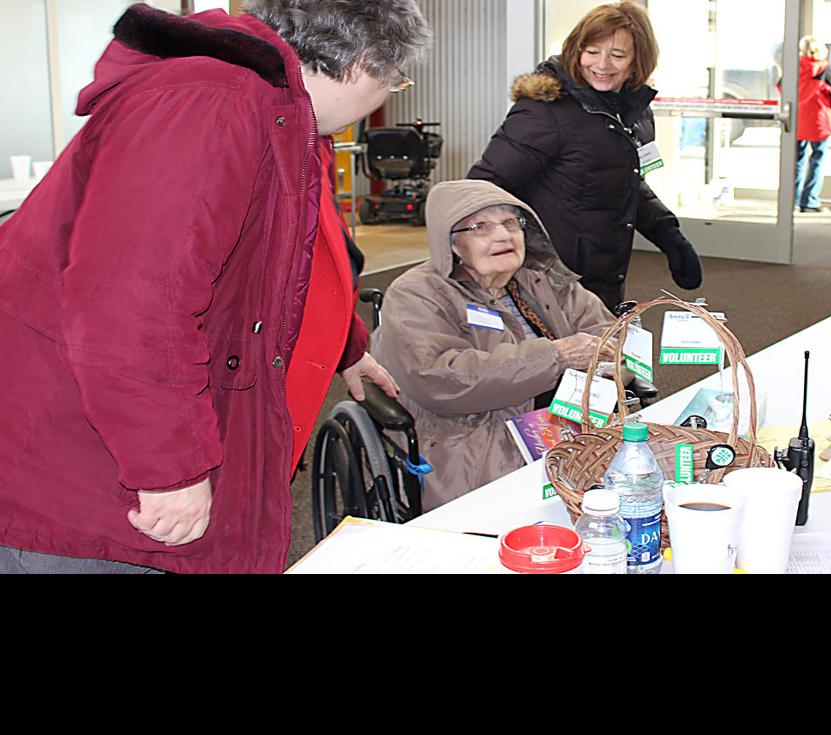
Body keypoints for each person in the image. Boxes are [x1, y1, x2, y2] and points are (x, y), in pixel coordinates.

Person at [0, 0, 426, 574]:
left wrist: (344, 347)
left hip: (118, 431)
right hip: (86, 468)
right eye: (394, 79)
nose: (388, 93)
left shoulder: (273, 110)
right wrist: (169, 470)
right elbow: (130, 305)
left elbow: (276, 267)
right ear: (363, 63)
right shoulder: (211, 102)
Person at [372, 180, 618, 511]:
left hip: (564, 421)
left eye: (509, 223)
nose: (502, 235)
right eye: (481, 227)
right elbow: (440, 378)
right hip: (470, 432)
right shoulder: (415, 295)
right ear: (453, 244)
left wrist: (604, 369)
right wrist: (556, 357)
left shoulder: (542, 278)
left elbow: (611, 336)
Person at [467, 1, 702, 311]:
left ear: (637, 62)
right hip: (550, 282)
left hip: (603, 275)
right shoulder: (545, 111)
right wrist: (507, 254)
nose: (602, 64)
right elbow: (483, 187)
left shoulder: (633, 111)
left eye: (617, 55)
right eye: (592, 51)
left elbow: (621, 179)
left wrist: (667, 233)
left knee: (599, 355)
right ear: (575, 51)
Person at [791, 35, 831, 213]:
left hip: (797, 122)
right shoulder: (825, 71)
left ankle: (790, 201)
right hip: (819, 124)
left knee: (796, 162)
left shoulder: (793, 68)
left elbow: (781, 87)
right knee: (816, 160)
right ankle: (809, 201)